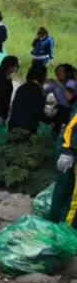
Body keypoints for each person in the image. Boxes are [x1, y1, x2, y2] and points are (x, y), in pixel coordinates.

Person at [50, 89, 77, 226]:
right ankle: (64, 231)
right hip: (72, 151)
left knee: (66, 192)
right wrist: (68, 150)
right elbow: (72, 127)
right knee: (70, 196)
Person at [8, 63, 49, 138]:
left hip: (14, 123)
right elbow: (39, 111)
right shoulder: (40, 90)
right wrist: (49, 121)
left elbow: (15, 104)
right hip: (28, 127)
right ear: (42, 76)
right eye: (46, 74)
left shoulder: (22, 87)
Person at [48, 64, 77, 136]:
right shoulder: (55, 82)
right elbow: (44, 91)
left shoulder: (72, 83)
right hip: (60, 108)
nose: (58, 73)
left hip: (71, 109)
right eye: (57, 71)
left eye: (61, 72)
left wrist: (60, 86)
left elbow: (71, 98)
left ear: (68, 73)